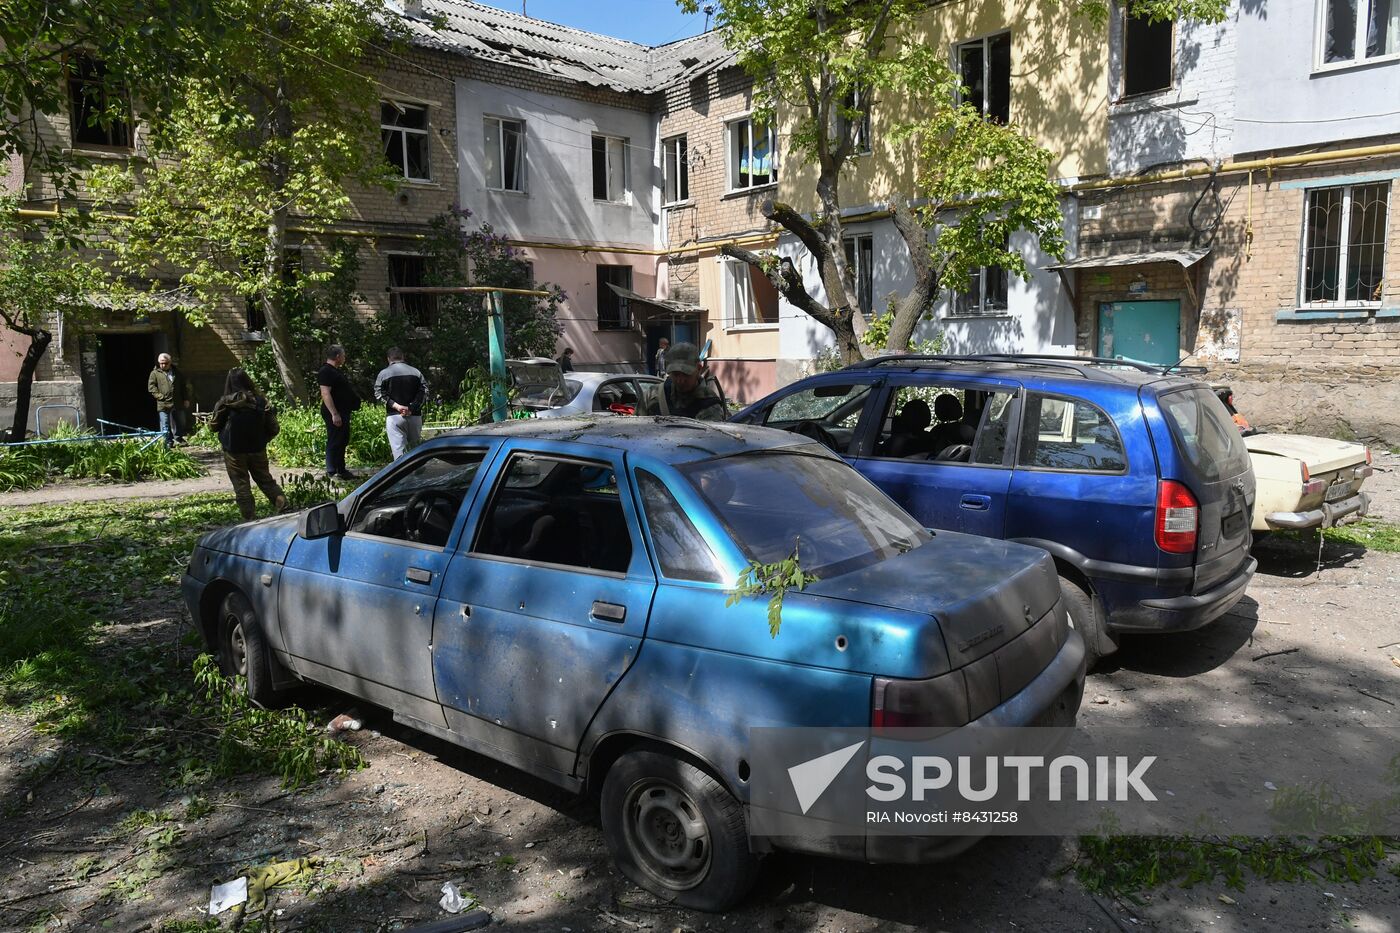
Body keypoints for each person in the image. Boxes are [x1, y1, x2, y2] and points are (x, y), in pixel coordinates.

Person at [210, 368, 288, 521]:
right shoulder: (261, 401)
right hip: (257, 448)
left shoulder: (225, 402)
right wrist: (263, 440)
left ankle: (250, 517)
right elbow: (274, 428)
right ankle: (283, 504)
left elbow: (213, 426)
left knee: (241, 484)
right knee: (266, 480)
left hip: (233, 450)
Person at [374, 346, 429, 460]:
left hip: (394, 416)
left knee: (399, 453)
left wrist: (397, 406)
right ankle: (419, 475)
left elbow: (379, 394)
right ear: (403, 357)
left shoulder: (383, 374)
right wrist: (411, 407)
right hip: (414, 416)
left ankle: (403, 477)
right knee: (416, 451)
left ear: (389, 359)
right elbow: (424, 392)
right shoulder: (416, 372)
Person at [651, 341, 726, 421]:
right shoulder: (653, 395)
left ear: (699, 369)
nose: (680, 380)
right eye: (676, 374)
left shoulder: (710, 405)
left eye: (686, 374)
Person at [317, 344, 359, 481]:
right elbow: (325, 393)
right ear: (337, 356)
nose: (344, 357)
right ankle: (331, 471)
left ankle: (341, 469)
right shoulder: (326, 371)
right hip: (334, 413)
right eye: (343, 355)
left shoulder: (335, 371)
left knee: (342, 440)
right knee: (335, 440)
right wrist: (334, 414)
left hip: (343, 411)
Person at [146, 352, 190, 447]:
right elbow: (151, 387)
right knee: (165, 424)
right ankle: (168, 441)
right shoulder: (155, 373)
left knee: (181, 421)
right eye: (161, 363)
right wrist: (160, 396)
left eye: (165, 363)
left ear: (170, 362)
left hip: (177, 401)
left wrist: (186, 399)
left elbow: (183, 386)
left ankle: (179, 438)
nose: (163, 365)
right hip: (163, 403)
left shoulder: (177, 372)